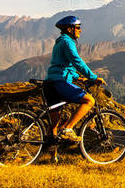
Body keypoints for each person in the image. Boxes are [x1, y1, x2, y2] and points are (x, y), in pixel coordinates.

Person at [43, 15, 106, 143]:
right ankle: (68, 129)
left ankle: (47, 155)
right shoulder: (67, 42)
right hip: (60, 83)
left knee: (54, 127)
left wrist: (79, 78)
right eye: (78, 27)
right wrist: (93, 77)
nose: (80, 30)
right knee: (89, 100)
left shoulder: (60, 41)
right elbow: (77, 62)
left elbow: (65, 66)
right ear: (70, 29)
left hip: (50, 83)